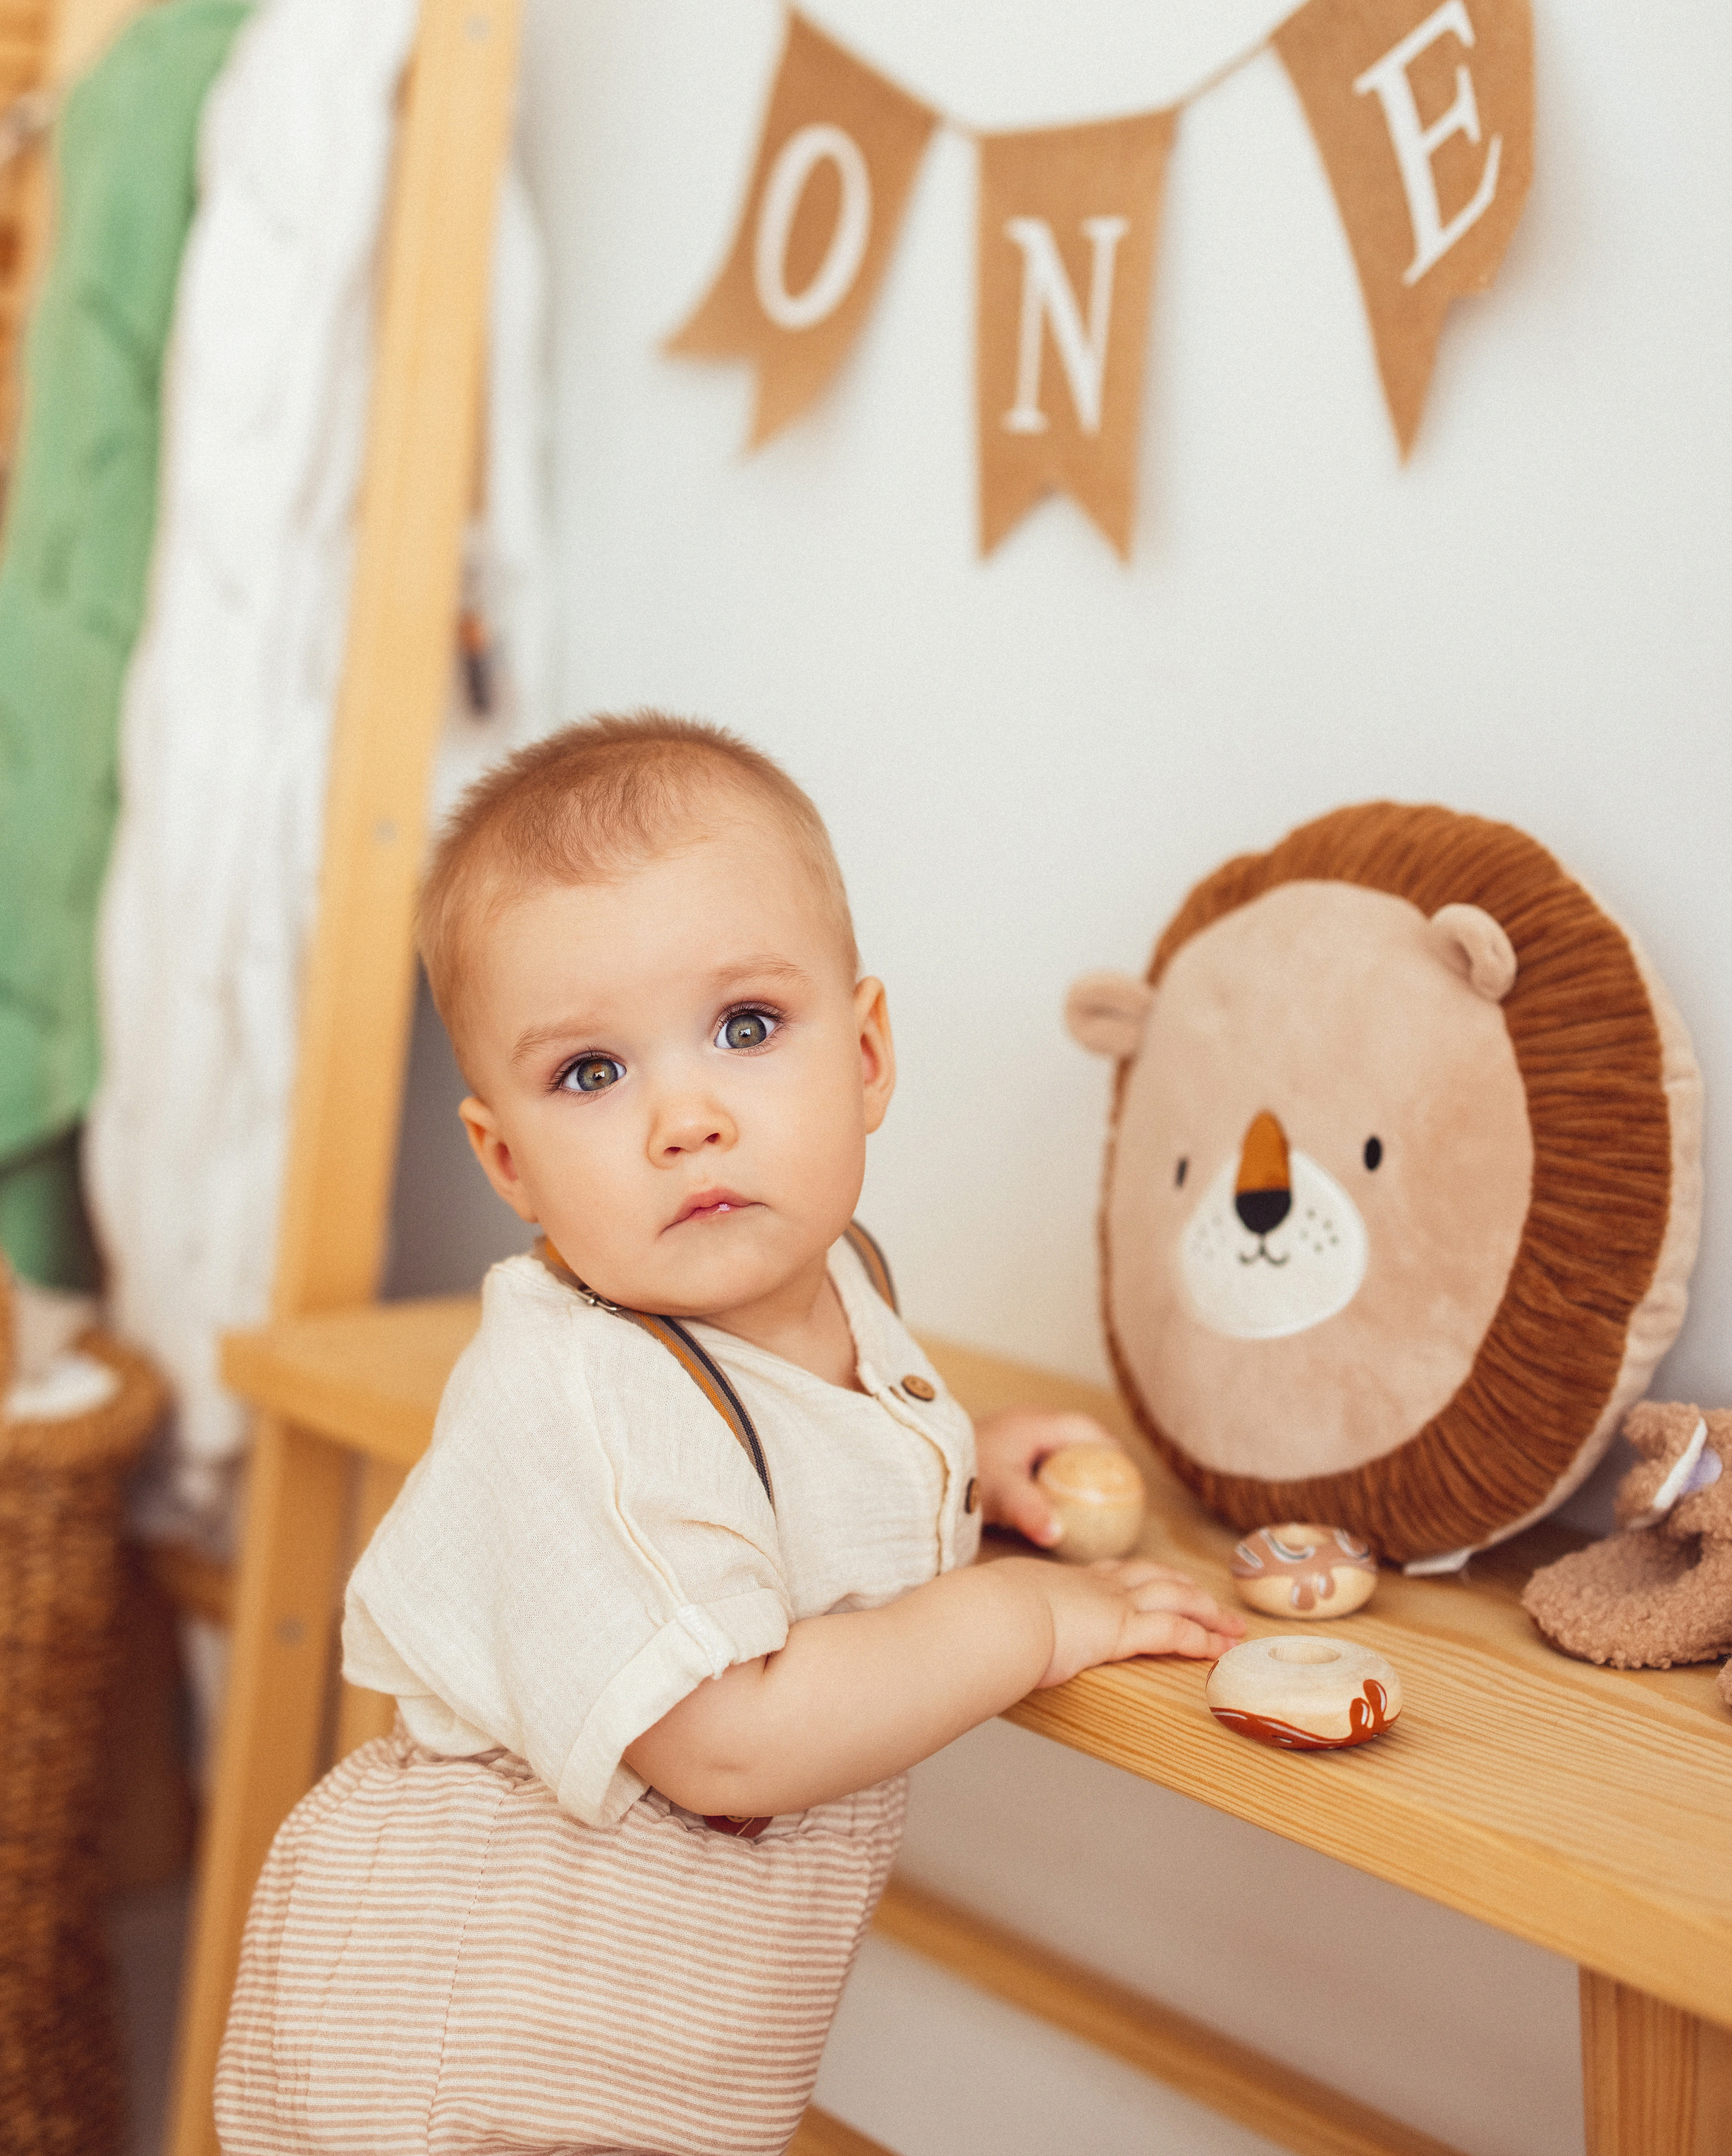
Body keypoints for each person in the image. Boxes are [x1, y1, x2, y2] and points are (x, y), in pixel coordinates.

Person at [216, 712, 1243, 2156]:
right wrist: (1022, 1612)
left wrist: (964, 1468)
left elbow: (801, 1488)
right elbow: (731, 1740)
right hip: (470, 2049)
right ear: (507, 1158)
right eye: (590, 1071)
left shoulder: (828, 1282)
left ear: (868, 1052)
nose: (685, 1116)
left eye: (744, 1028)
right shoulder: (578, 1385)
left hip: (638, 2048)